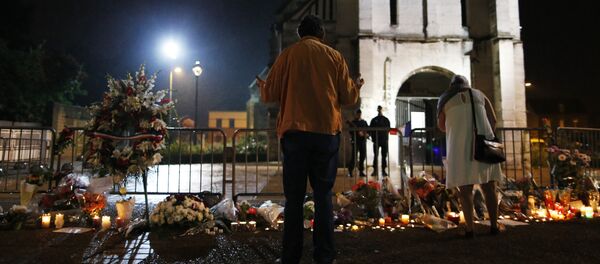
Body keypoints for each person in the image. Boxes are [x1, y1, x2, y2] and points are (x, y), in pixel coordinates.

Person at [256, 15, 363, 264]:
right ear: (322, 34)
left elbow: (269, 95)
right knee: (323, 196)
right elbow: (348, 98)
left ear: (300, 34)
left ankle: (290, 256)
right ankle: (324, 256)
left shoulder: (288, 55)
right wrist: (356, 86)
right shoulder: (334, 56)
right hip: (326, 134)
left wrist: (264, 86)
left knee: (293, 198)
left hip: (295, 133)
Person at [437, 75, 502, 238]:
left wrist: (457, 124)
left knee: (465, 190)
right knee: (490, 187)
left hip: (460, 146)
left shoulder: (445, 99)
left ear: (451, 86)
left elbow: (441, 127)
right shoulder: (480, 95)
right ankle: (494, 226)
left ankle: (470, 229)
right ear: (467, 85)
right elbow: (493, 120)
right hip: (483, 145)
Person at [346, 109, 368, 177]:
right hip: (356, 141)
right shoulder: (353, 122)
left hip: (363, 142)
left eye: (360, 113)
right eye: (358, 114)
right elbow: (350, 132)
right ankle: (350, 171)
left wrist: (366, 134)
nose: (359, 115)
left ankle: (361, 171)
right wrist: (357, 133)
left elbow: (368, 130)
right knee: (354, 157)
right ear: (356, 114)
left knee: (362, 156)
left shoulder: (364, 122)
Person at [369, 105, 390, 176]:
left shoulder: (386, 120)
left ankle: (383, 171)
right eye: (379, 109)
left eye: (380, 109)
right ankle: (375, 171)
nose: (380, 110)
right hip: (376, 141)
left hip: (384, 140)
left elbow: (388, 129)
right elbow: (370, 129)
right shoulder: (374, 120)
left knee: (384, 156)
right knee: (375, 156)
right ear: (377, 110)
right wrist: (372, 137)